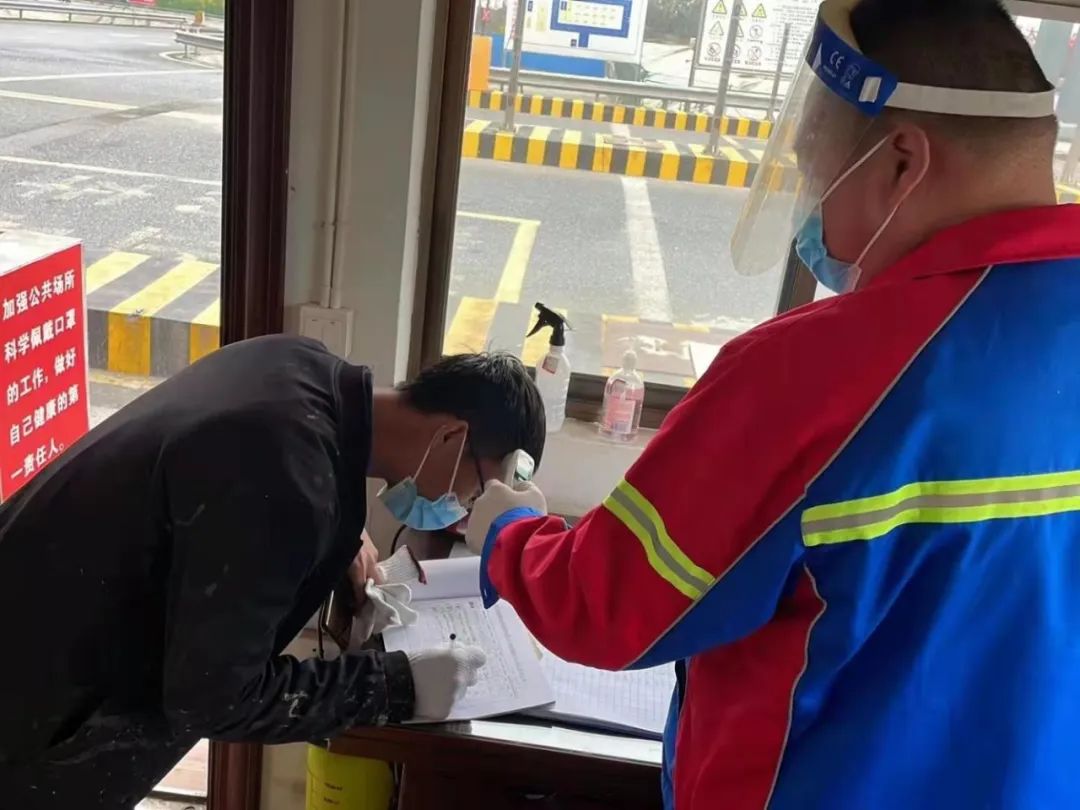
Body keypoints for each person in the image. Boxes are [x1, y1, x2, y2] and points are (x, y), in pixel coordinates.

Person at [465, 0, 1080, 807]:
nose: (812, 208)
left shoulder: (822, 370)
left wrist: (507, 530)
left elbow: (603, 606)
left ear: (902, 162)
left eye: (818, 174)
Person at [0, 335, 544, 807]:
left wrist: (345, 533)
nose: (462, 514)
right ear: (450, 436)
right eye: (474, 494)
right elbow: (213, 699)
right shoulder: (289, 482)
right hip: (36, 704)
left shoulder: (299, 366)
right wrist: (394, 685)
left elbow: (230, 479)